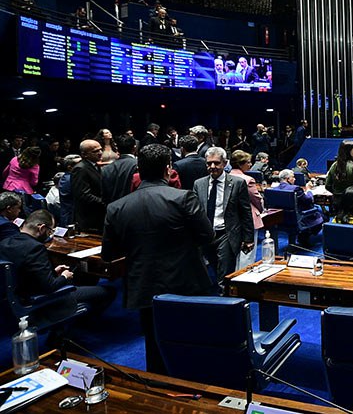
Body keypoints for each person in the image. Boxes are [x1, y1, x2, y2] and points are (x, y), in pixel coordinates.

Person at [102, 144, 213, 374]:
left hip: (144, 285)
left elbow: (108, 255)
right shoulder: (184, 198)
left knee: (154, 346)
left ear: (139, 170)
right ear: (168, 169)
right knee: (191, 343)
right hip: (186, 283)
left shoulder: (116, 208)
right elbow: (207, 236)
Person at [0, 209, 115, 330]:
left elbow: (24, 272)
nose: (50, 234)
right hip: (38, 299)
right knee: (108, 291)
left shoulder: (5, 243)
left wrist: (54, 272)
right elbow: (50, 286)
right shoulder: (35, 248)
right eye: (50, 230)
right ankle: (78, 327)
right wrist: (64, 276)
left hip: (18, 295)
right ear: (42, 228)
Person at [193, 147, 254, 285]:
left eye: (216, 163)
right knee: (214, 269)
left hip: (227, 233)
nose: (212, 167)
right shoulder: (199, 184)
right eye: (209, 163)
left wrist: (248, 238)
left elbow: (245, 212)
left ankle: (227, 301)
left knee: (225, 274)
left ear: (225, 163)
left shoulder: (237, 183)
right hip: (206, 235)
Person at [228, 150, 265, 270]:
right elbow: (256, 200)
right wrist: (261, 209)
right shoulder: (248, 180)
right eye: (248, 162)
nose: (250, 165)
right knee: (247, 253)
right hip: (247, 219)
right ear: (240, 164)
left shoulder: (226, 176)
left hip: (230, 218)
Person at [272, 169, 324, 246]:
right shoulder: (296, 189)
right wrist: (308, 189)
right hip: (297, 218)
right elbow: (308, 200)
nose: (295, 179)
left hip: (281, 219)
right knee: (322, 215)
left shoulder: (274, 189)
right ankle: (304, 236)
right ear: (287, 179)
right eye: (293, 177)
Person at [71, 139, 106, 233]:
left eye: (100, 149)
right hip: (89, 217)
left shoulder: (96, 165)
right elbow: (83, 195)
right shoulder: (80, 169)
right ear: (84, 154)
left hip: (98, 215)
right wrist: (104, 202)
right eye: (95, 151)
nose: (100, 153)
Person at [100, 133, 137, 205]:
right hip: (134, 207)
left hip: (112, 209)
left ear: (117, 149)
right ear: (134, 148)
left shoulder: (105, 169)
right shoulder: (139, 165)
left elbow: (104, 196)